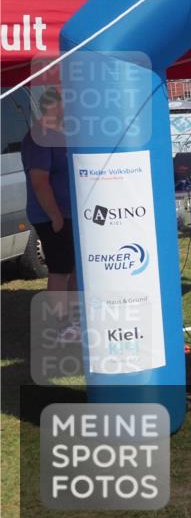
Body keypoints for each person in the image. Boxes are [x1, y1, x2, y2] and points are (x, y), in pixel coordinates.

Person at [21, 88, 78, 339]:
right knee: (60, 270)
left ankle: (75, 321)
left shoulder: (61, 134)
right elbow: (39, 181)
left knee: (74, 268)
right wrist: (55, 215)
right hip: (52, 215)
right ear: (53, 106)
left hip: (70, 214)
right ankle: (61, 326)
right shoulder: (39, 137)